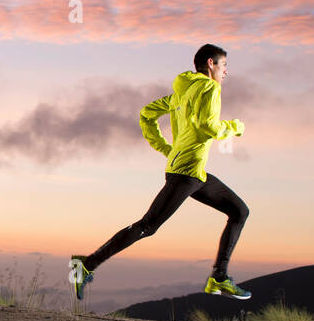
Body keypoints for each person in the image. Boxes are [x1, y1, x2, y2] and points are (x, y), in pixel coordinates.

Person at [70, 43, 251, 301]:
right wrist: (235, 127)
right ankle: (86, 264)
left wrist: (166, 148)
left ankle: (219, 278)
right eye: (224, 65)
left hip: (194, 173)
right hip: (186, 174)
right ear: (211, 63)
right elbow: (207, 126)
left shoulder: (181, 93)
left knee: (239, 211)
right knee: (147, 226)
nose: (226, 72)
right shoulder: (210, 87)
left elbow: (147, 113)